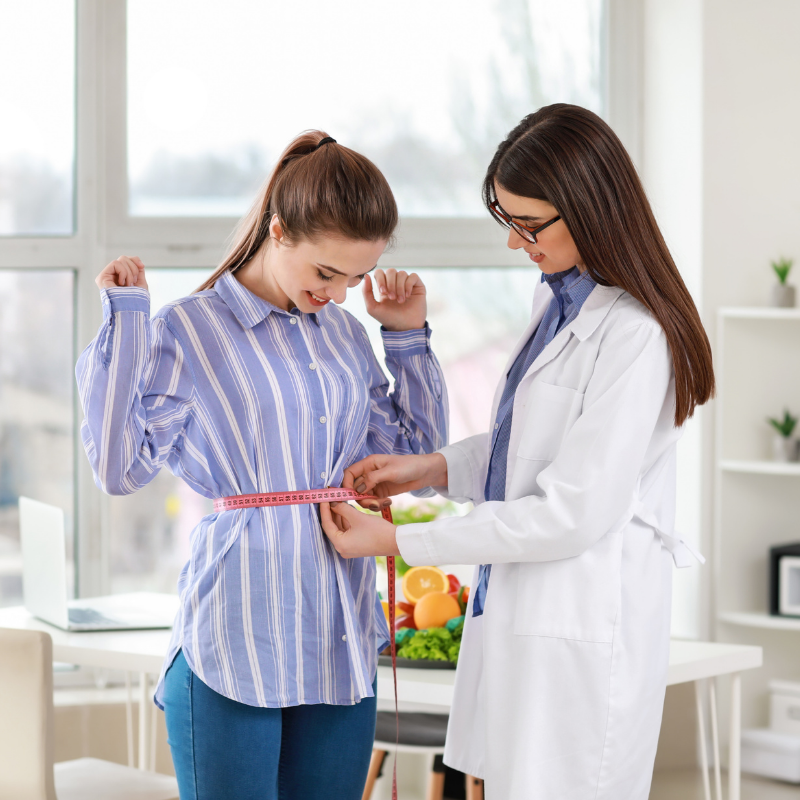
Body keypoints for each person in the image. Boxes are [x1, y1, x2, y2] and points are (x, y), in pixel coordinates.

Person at [319, 104, 715, 799]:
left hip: (582, 629)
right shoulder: (558, 304)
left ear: (589, 209)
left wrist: (399, 538)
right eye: (508, 221)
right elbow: (530, 449)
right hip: (522, 623)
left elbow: (571, 513)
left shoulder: (636, 334)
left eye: (529, 225)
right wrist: (433, 468)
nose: (514, 242)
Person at [76, 131, 448, 800]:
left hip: (338, 636)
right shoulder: (189, 329)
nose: (338, 295)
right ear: (278, 231)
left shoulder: (344, 334)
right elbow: (119, 469)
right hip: (233, 636)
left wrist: (405, 335)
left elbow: (415, 461)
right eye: (325, 273)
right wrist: (127, 323)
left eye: (354, 277)